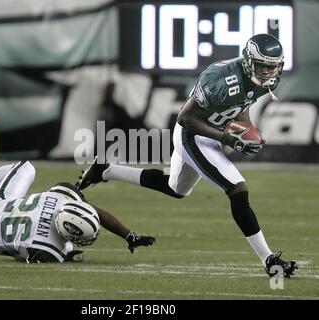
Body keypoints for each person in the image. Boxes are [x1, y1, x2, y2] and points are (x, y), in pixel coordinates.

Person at [77, 34, 298, 277]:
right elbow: (185, 118)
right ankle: (269, 260)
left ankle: (106, 169)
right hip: (192, 134)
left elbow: (240, 108)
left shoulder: (262, 80)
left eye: (273, 66)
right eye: (263, 66)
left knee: (176, 189)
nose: (268, 72)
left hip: (210, 131)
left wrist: (248, 131)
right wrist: (226, 138)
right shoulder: (221, 79)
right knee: (238, 189)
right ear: (248, 62)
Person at [0, 161, 155, 263]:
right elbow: (24, 259)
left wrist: (128, 235)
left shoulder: (62, 199)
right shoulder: (49, 247)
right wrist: (65, 258)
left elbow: (92, 212)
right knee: (25, 251)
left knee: (25, 167)